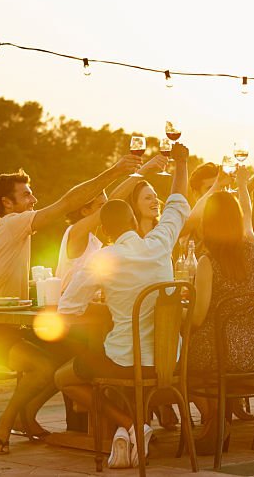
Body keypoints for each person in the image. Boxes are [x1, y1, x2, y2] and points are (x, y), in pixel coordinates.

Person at [0, 153, 141, 454]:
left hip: (14, 328)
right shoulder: (9, 225)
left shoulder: (17, 232)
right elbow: (66, 203)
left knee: (68, 354)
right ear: (6, 204)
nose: (33, 199)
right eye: (26, 195)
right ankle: (4, 425)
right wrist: (115, 170)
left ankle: (29, 416)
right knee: (43, 367)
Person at [55, 143, 190, 469]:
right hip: (169, 360)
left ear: (105, 229)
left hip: (122, 361)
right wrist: (181, 164)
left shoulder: (104, 258)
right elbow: (177, 204)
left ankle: (129, 426)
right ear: (132, 218)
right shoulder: (161, 243)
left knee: (64, 378)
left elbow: (68, 308)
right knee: (100, 361)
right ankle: (129, 430)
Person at [186, 166, 254, 453]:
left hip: (220, 348)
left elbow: (199, 316)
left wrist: (183, 326)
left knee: (183, 364)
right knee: (200, 354)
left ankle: (213, 422)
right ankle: (215, 426)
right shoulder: (251, 247)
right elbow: (246, 214)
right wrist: (243, 185)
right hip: (252, 348)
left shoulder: (208, 262)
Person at [57, 155, 169, 293]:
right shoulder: (75, 233)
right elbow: (112, 203)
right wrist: (144, 169)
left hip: (89, 305)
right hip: (73, 308)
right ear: (85, 211)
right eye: (101, 206)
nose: (107, 210)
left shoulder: (94, 240)